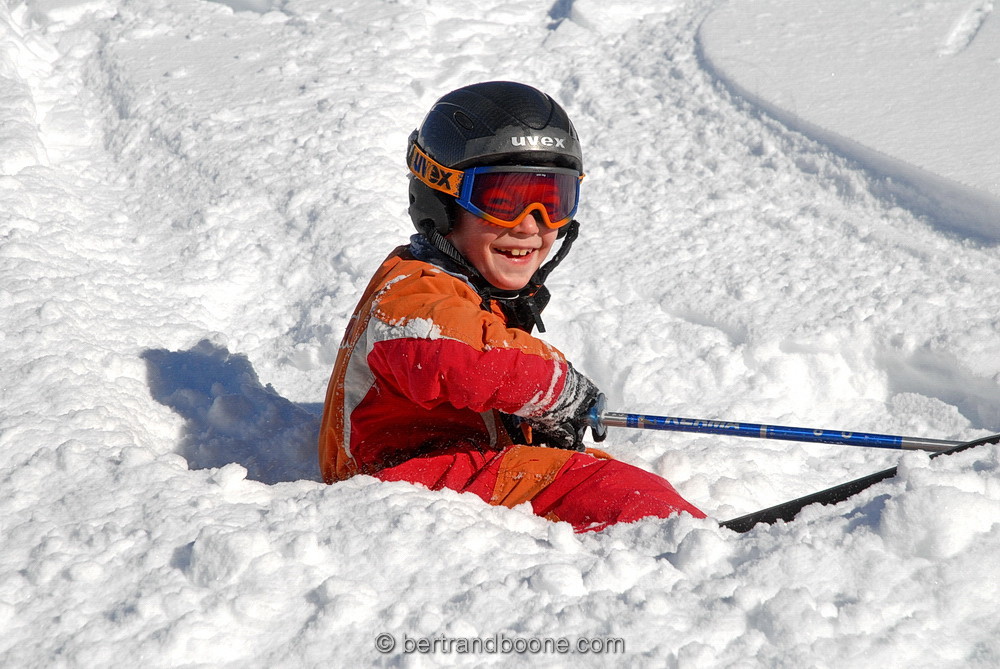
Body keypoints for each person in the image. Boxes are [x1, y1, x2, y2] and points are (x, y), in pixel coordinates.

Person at [318, 81, 704, 531]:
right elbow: (455, 353)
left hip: (445, 468)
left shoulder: (478, 287)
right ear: (440, 200)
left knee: (597, 475)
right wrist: (557, 390)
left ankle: (677, 538)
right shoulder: (411, 293)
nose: (530, 226)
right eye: (502, 201)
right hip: (395, 483)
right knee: (603, 487)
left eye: (554, 201)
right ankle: (701, 548)